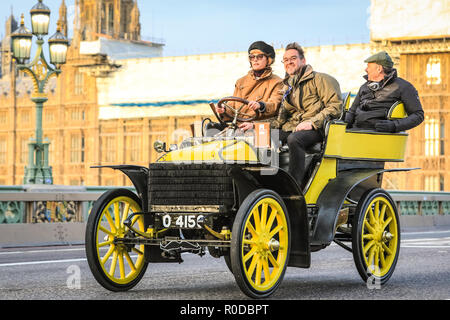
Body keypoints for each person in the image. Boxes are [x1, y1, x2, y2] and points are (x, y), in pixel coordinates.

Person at [271, 42, 343, 186]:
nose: (289, 62)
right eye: (285, 60)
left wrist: (311, 122)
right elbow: (280, 119)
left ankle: (294, 185)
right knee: (264, 137)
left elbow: (335, 107)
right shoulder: (288, 86)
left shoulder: (321, 79)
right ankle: (270, 180)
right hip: (294, 127)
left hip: (318, 128)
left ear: (303, 61)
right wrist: (257, 127)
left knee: (294, 139)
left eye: (293, 58)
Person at [208, 41, 283, 134]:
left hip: (260, 127)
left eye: (259, 56)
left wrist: (261, 105)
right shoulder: (241, 82)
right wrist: (223, 110)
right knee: (210, 129)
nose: (255, 59)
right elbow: (232, 107)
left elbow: (275, 105)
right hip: (238, 126)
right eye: (252, 57)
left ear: (269, 59)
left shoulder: (277, 82)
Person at [345, 51, 424, 132]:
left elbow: (418, 115)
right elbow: (352, 112)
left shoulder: (403, 87)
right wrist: (344, 124)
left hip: (382, 135)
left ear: (379, 69)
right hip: (356, 133)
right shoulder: (364, 87)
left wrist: (394, 126)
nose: (366, 69)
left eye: (368, 66)